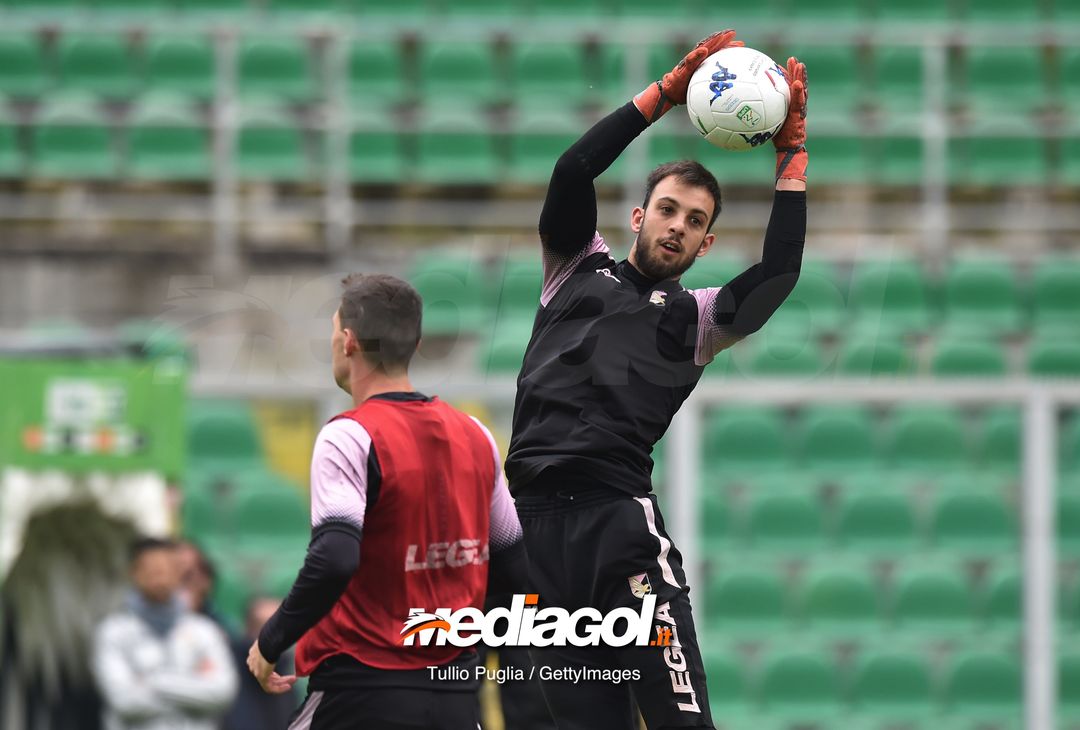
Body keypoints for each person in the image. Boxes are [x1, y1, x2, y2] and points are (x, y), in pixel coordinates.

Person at [505, 29, 808, 730]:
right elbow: (572, 172)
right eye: (668, 209)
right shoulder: (575, 268)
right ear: (639, 217)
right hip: (537, 540)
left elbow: (780, 273)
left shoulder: (697, 320)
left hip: (620, 532)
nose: (677, 226)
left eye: (695, 221)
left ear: (706, 245)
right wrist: (665, 95)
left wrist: (791, 157)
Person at [245, 274, 527, 730]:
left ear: (348, 342)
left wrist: (271, 640)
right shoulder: (476, 435)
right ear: (414, 344)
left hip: (361, 692)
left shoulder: (349, 435)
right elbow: (514, 565)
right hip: (454, 696)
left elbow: (335, 558)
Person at [91, 537, 239, 730]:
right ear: (133, 573)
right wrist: (195, 689)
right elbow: (124, 701)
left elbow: (222, 693)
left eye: (167, 568)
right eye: (151, 568)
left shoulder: (204, 630)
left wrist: (151, 681)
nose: (160, 576)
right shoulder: (112, 632)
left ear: (179, 573)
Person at [224, 596, 299, 730]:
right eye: (268, 629)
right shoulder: (228, 672)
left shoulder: (286, 676)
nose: (277, 638)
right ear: (250, 629)